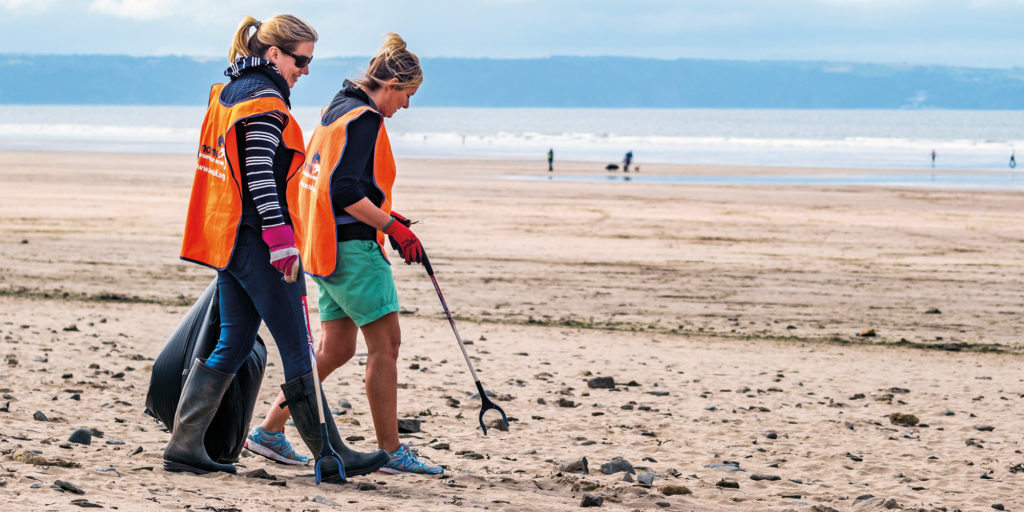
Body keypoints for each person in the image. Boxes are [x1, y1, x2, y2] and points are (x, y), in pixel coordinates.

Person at [169, 14, 388, 482]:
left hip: (227, 237)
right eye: (301, 60)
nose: (305, 71)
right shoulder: (265, 103)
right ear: (274, 55)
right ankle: (331, 456)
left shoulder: (228, 93)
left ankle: (185, 445)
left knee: (234, 341)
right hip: (260, 243)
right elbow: (258, 176)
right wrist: (281, 241)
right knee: (298, 347)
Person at [249, 33, 443, 476]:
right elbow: (344, 191)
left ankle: (269, 431)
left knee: (335, 350)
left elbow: (336, 185)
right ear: (391, 82)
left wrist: (387, 213)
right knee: (386, 346)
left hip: (323, 247)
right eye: (408, 95)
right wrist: (391, 227)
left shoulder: (336, 109)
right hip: (354, 252)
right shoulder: (365, 120)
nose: (407, 107)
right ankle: (391, 452)